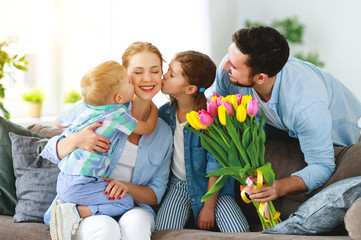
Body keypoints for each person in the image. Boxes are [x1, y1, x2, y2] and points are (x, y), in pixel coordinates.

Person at [206, 26, 361, 203]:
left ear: (261, 78)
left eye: (233, 65)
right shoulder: (228, 72)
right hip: (276, 122)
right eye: (229, 56)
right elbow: (217, 105)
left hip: (334, 127)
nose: (225, 65)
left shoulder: (306, 107)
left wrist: (279, 187)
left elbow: (322, 166)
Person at [41, 41, 173, 240]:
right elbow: (51, 151)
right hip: (86, 200)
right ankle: (71, 215)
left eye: (155, 71)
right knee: (105, 228)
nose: (147, 78)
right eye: (137, 72)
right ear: (124, 74)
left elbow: (155, 193)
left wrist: (124, 186)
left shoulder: (163, 132)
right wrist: (78, 139)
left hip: (131, 204)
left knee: (136, 223)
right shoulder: (99, 109)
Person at [156, 51, 249, 232]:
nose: (164, 76)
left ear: (190, 89)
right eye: (167, 70)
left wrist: (208, 206)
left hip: (215, 189)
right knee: (162, 230)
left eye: (171, 74)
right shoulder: (163, 114)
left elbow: (216, 165)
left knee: (239, 231)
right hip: (179, 185)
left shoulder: (211, 116)